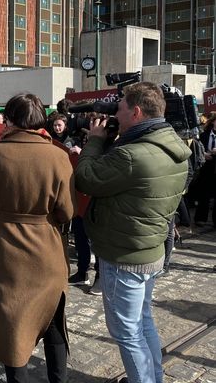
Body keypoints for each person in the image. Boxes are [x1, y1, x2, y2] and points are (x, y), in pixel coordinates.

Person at [75, 82, 190, 383]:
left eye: (121, 107)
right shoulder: (173, 146)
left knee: (127, 333)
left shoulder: (132, 155)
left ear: (136, 112)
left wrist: (97, 141)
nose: (117, 112)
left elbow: (86, 178)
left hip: (123, 256)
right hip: (150, 250)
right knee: (144, 322)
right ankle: (153, 377)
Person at [0, 93, 74, 383]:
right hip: (48, 250)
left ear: (11, 119)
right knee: (55, 321)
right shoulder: (58, 155)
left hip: (8, 252)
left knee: (12, 324)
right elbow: (66, 211)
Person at [194, 112, 216, 227]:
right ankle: (200, 219)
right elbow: (198, 149)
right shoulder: (204, 135)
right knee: (204, 194)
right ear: (213, 122)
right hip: (206, 168)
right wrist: (204, 155)